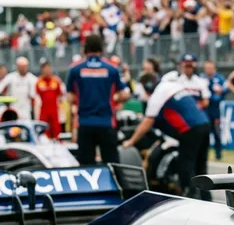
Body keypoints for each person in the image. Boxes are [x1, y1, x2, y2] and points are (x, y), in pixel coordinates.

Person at [122, 78, 211, 199]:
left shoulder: (157, 95)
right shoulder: (173, 86)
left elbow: (148, 120)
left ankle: (192, 197)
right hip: (205, 124)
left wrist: (131, 141)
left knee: (186, 166)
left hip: (190, 130)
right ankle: (207, 198)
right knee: (201, 167)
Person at [66, 35, 130, 165]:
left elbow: (70, 97)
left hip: (85, 123)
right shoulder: (112, 68)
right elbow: (125, 94)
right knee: (112, 165)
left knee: (86, 167)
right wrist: (114, 98)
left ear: (85, 48)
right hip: (106, 123)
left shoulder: (75, 69)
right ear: (101, 48)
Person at [202, 60, 227, 161]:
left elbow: (224, 91)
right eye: (207, 68)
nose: (208, 70)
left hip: (215, 110)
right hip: (204, 111)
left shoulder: (219, 79)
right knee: (204, 134)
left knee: (216, 132)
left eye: (210, 68)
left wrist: (218, 93)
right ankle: (204, 154)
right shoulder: (201, 79)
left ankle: (218, 154)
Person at [35, 61, 64, 139]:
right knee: (43, 128)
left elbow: (60, 95)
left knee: (56, 128)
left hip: (54, 108)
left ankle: (57, 141)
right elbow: (36, 96)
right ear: (42, 70)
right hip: (43, 109)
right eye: (45, 69)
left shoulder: (56, 81)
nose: (47, 71)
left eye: (48, 68)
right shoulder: (39, 81)